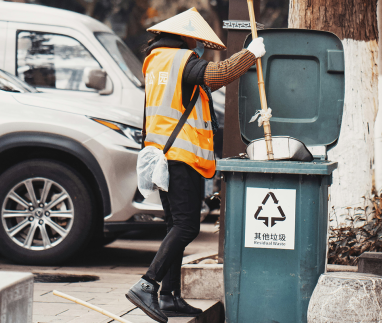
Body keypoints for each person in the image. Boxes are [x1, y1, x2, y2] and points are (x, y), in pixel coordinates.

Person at [125, 8, 265, 323]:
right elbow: (218, 74)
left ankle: (170, 296)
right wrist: (250, 55)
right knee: (187, 226)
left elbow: (195, 89)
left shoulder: (157, 61)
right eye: (196, 42)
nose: (198, 48)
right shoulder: (180, 60)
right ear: (186, 38)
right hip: (179, 158)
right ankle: (147, 284)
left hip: (161, 155)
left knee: (175, 224)